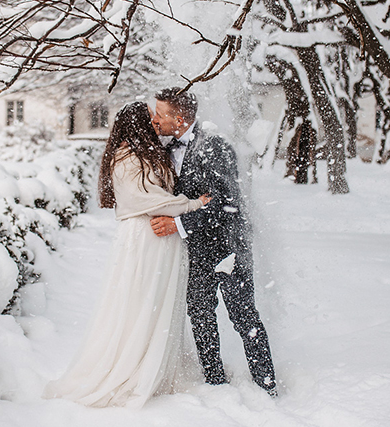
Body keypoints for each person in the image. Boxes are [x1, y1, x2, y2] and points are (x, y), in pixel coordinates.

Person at [43, 101, 210, 408]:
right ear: (138, 125)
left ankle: (153, 362)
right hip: (147, 238)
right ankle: (135, 366)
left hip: (159, 238)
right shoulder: (128, 157)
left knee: (155, 302)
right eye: (151, 117)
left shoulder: (144, 154)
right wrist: (195, 204)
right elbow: (153, 201)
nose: (157, 120)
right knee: (141, 302)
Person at [150, 87, 277, 396]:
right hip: (195, 250)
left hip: (228, 247)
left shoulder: (215, 146)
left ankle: (267, 386)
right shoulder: (167, 150)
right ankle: (215, 382)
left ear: (179, 118)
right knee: (201, 316)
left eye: (160, 113)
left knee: (244, 317)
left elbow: (225, 203)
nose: (154, 119)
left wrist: (178, 223)